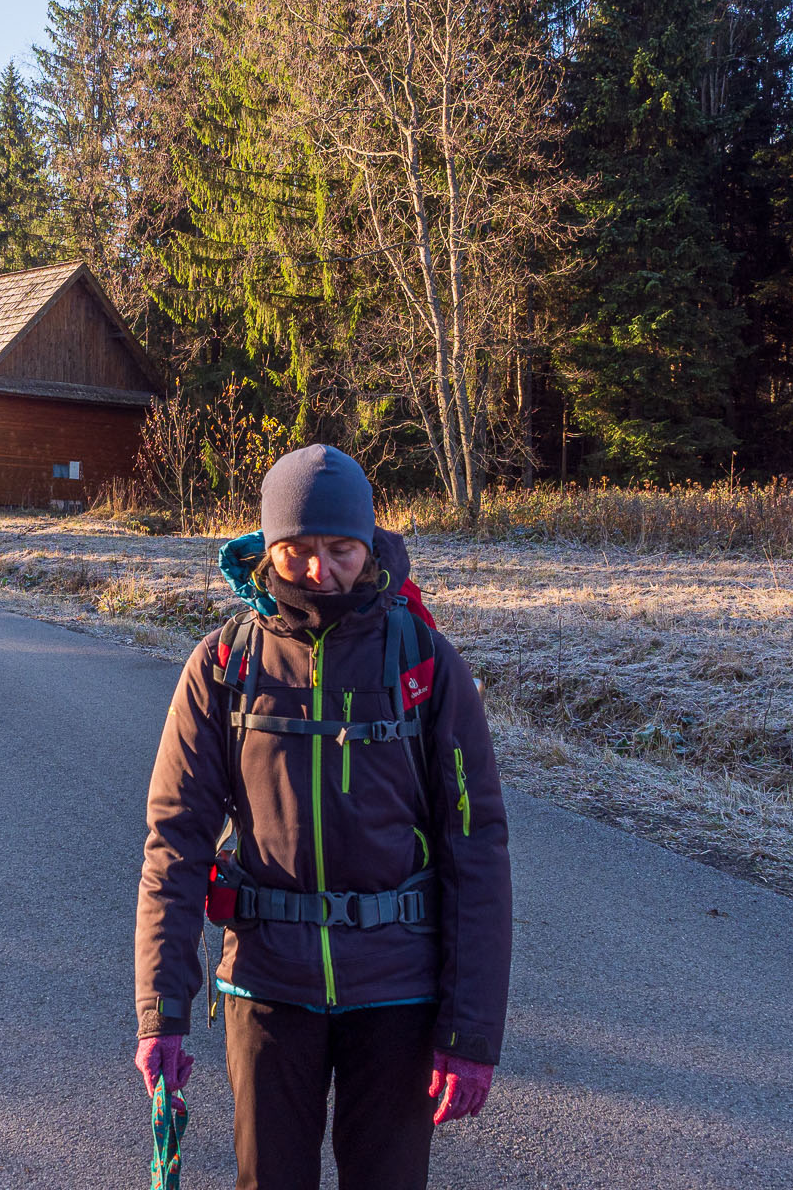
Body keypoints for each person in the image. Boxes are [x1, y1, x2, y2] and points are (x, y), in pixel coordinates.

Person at [133, 444, 513, 1190]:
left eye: (339, 550)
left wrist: (471, 1033)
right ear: (267, 548)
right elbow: (174, 841)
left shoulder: (426, 663)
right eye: (296, 551)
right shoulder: (223, 667)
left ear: (369, 545)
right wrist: (163, 1012)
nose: (318, 572)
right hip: (267, 986)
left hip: (398, 991)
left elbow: (477, 848)